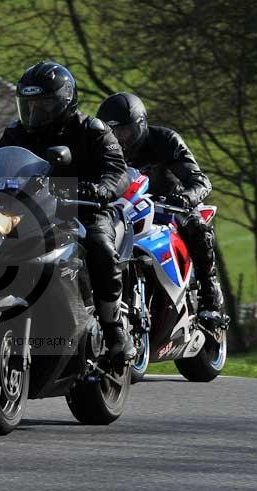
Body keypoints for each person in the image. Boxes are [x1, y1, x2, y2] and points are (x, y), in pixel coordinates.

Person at [0, 61, 136, 363]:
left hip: (85, 209)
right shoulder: (16, 133)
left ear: (65, 102)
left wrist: (101, 189)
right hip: (32, 211)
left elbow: (117, 171)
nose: (35, 113)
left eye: (44, 105)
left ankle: (113, 329)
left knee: (100, 246)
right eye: (29, 104)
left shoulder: (92, 130)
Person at [96, 92, 224, 322]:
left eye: (125, 131)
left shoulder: (165, 140)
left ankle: (209, 293)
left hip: (168, 205)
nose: (120, 139)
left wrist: (186, 197)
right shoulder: (102, 148)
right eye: (113, 132)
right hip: (125, 207)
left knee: (196, 226)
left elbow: (200, 181)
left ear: (141, 125)